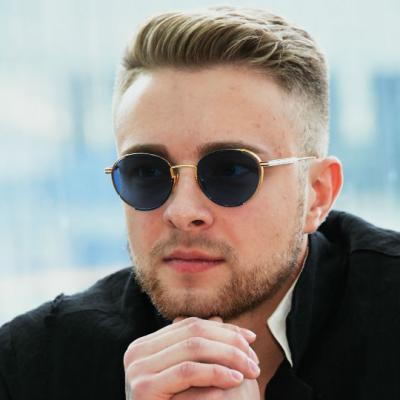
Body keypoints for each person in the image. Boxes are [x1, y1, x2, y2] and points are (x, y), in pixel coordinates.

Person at [1, 5, 399, 400]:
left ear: (317, 194)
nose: (182, 212)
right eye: (148, 172)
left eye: (231, 171)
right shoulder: (30, 365)